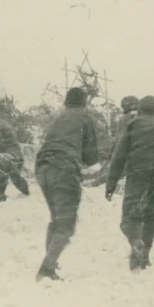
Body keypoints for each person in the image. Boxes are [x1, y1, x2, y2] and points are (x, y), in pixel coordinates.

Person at [35, 87, 99, 281]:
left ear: (66, 102)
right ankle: (46, 270)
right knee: (66, 224)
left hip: (42, 167)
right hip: (63, 168)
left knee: (56, 219)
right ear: (84, 102)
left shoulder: (59, 118)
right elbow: (91, 156)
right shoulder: (85, 118)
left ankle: (50, 264)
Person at [105, 95, 154, 271]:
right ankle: (144, 257)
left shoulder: (132, 125)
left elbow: (118, 156)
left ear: (140, 109)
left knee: (130, 216)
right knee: (152, 214)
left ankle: (136, 242)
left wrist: (110, 184)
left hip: (139, 171)